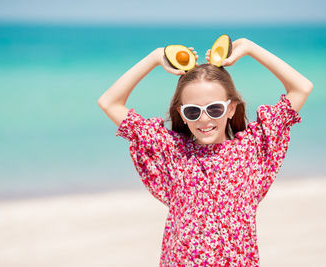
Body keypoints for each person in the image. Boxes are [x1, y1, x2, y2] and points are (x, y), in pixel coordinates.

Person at [97, 37, 313, 266]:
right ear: (181, 113)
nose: (204, 118)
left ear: (231, 109)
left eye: (215, 108)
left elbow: (301, 88)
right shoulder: (170, 151)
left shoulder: (252, 148)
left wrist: (249, 48)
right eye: (192, 111)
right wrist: (155, 58)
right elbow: (109, 102)